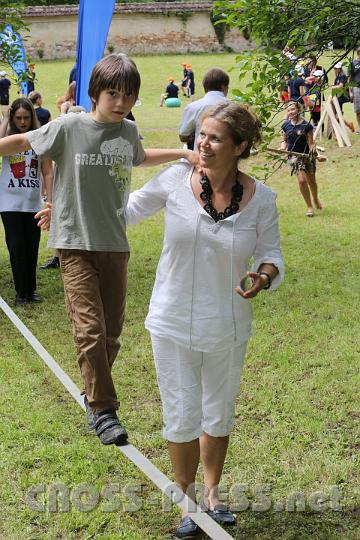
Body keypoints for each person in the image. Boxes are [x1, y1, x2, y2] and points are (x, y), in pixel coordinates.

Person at [3, 53, 198, 447]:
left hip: (115, 244)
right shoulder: (70, 126)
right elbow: (23, 141)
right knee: (89, 330)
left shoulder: (127, 132)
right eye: (113, 94)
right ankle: (105, 409)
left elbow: (140, 158)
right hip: (74, 244)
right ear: (96, 92)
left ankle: (92, 393)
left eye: (128, 95)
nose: (121, 102)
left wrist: (182, 153)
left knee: (111, 336)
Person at [126, 101, 284, 538]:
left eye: (215, 137)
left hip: (228, 323)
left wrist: (264, 277)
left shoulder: (262, 199)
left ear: (241, 146)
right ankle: (189, 503)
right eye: (201, 135)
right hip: (171, 320)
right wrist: (72, 210)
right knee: (180, 414)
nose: (203, 143)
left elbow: (271, 254)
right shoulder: (176, 180)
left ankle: (212, 494)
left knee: (219, 412)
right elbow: (127, 211)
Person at [0, 98, 53, 305]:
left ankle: (31, 290)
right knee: (16, 246)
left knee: (32, 246)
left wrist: (49, 199)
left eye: (26, 117)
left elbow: (47, 171)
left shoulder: (40, 139)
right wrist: (5, 118)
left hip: (32, 202)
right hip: (8, 202)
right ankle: (21, 293)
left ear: (32, 117)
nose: (22, 122)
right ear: (13, 118)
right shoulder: (8, 138)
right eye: (18, 117)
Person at [281, 100, 324, 217]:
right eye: (288, 110)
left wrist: (317, 155)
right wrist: (282, 147)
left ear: (299, 110)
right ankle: (309, 206)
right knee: (302, 181)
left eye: (293, 109)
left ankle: (315, 199)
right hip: (294, 156)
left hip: (307, 156)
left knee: (312, 181)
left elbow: (311, 144)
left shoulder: (306, 126)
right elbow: (284, 140)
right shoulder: (285, 125)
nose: (291, 112)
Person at [179, 67, 229, 150]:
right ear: (224, 87)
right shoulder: (234, 106)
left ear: (204, 86)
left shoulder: (193, 107)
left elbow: (183, 136)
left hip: (200, 156)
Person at [331, 62, 354, 133]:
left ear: (340, 69)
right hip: (338, 98)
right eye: (334, 68)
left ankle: (344, 127)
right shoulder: (338, 76)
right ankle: (348, 125)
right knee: (337, 116)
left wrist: (332, 87)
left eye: (336, 68)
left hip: (341, 98)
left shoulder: (342, 76)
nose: (335, 70)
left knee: (337, 116)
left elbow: (340, 86)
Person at [348, 46, 360, 134]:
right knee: (358, 111)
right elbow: (349, 79)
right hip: (356, 88)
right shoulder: (352, 63)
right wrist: (350, 92)